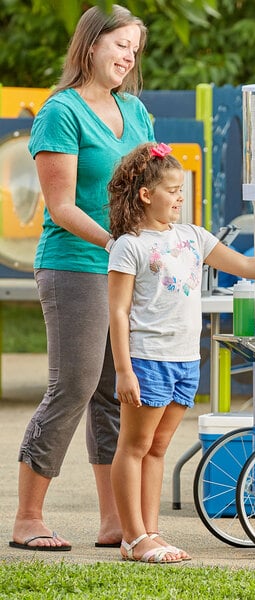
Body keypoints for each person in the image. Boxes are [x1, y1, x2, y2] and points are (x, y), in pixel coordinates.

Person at [107, 141, 255, 563]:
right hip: (147, 358)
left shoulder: (192, 237)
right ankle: (133, 538)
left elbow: (246, 266)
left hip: (186, 360)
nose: (180, 197)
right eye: (172, 190)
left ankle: (151, 533)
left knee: (157, 449)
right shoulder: (129, 245)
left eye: (181, 189)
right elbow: (117, 311)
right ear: (146, 194)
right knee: (133, 447)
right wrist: (123, 370)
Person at [9, 5, 154, 552]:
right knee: (72, 385)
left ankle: (115, 521)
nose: (127, 56)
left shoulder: (136, 111)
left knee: (116, 394)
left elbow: (150, 186)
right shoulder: (60, 112)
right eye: (120, 44)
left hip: (125, 265)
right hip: (74, 263)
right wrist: (117, 243)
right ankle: (27, 517)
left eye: (134, 49)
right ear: (91, 44)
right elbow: (62, 205)